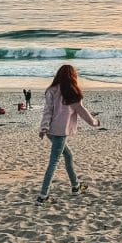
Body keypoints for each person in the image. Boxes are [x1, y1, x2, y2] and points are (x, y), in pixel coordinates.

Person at [37, 64, 100, 204]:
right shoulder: (72, 93)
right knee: (53, 162)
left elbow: (47, 111)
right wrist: (95, 122)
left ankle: (76, 186)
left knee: (68, 156)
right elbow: (84, 113)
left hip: (50, 132)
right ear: (73, 76)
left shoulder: (51, 90)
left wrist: (44, 128)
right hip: (60, 133)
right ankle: (42, 195)